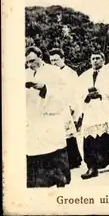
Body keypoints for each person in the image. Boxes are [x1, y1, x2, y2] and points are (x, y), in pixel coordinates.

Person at [79, 51, 109, 179]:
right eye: (93, 58)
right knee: (90, 139)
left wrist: (102, 94)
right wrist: (86, 96)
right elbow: (77, 92)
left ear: (103, 60)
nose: (95, 61)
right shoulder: (85, 75)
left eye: (98, 58)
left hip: (108, 109)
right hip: (91, 110)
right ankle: (92, 167)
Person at [26, 46, 71, 188]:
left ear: (40, 56)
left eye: (32, 60)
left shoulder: (54, 72)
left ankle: (60, 182)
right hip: (33, 119)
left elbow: (64, 95)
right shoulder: (25, 73)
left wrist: (45, 89)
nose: (30, 65)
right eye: (27, 62)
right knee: (35, 153)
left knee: (54, 153)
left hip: (50, 118)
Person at [48, 48, 83, 170]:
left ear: (63, 59)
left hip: (67, 106)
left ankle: (74, 159)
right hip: (54, 105)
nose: (54, 63)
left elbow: (75, 92)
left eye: (56, 60)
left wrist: (73, 107)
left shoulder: (71, 73)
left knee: (69, 134)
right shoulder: (50, 73)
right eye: (51, 60)